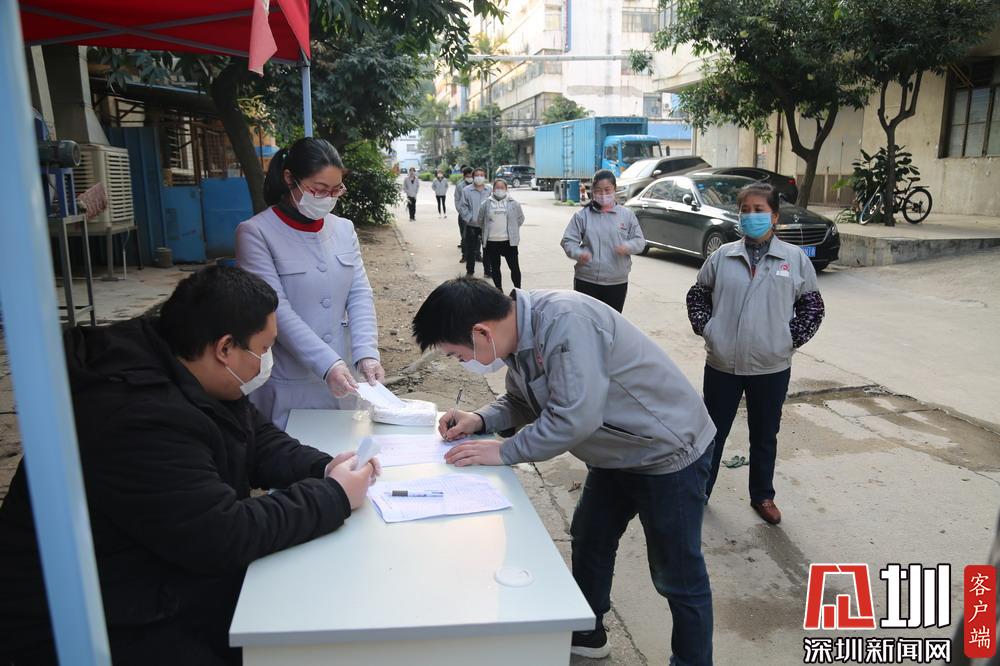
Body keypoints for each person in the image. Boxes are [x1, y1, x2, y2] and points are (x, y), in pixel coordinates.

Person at [0, 266, 378, 666]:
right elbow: (222, 534)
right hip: (82, 621)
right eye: (265, 349)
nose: (266, 361)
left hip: (150, 575)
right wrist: (333, 496)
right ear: (225, 348)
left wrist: (323, 467)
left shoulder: (181, 358)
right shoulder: (139, 417)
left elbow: (253, 436)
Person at [412, 277, 717, 665]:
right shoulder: (517, 337)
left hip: (666, 453)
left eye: (458, 355)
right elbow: (523, 400)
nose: (463, 363)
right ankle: (588, 632)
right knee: (590, 539)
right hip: (615, 452)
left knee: (677, 575)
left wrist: (505, 451)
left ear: (480, 332)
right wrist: (481, 418)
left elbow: (573, 418)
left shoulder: (565, 324)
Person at [686, 182, 825, 525]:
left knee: (764, 435)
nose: (751, 216)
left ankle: (762, 495)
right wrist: (709, 329)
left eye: (759, 210)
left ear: (774, 216)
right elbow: (698, 294)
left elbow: (812, 306)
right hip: (723, 363)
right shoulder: (723, 256)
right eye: (745, 210)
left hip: (771, 365)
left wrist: (787, 340)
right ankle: (699, 492)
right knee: (712, 433)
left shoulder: (793, 259)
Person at [236, 137, 384, 430]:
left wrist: (366, 354)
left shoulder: (343, 229)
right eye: (319, 189)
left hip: (343, 379)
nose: (327, 198)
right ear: (289, 178)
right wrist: (327, 364)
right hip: (289, 382)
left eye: (336, 190)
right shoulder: (256, 233)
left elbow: (359, 294)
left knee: (344, 448)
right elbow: (277, 310)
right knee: (292, 451)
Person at [560, 169, 645, 313]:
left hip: (616, 282)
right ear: (593, 191)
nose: (603, 194)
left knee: (611, 321)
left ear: (615, 189)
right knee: (585, 320)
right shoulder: (582, 216)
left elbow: (640, 241)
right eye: (598, 191)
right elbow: (568, 241)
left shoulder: (627, 216)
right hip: (587, 280)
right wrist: (579, 253)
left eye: (607, 190)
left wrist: (627, 246)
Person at [475, 178, 525, 292]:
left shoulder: (514, 203)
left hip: (509, 241)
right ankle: (499, 290)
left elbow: (520, 219)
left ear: (506, 189)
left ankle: (518, 291)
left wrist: (512, 230)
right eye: (497, 187)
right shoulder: (486, 204)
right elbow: (480, 220)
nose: (499, 190)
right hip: (492, 241)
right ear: (493, 189)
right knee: (495, 268)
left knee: (514, 268)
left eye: (502, 187)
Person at [459, 167, 493, 278]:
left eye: (482, 175)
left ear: (485, 177)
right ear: (473, 177)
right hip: (471, 225)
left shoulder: (489, 190)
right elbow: (463, 207)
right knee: (470, 250)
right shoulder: (466, 190)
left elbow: (494, 205)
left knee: (487, 249)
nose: (479, 177)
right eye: (477, 175)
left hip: (486, 225)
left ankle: (488, 271)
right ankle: (470, 272)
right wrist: (470, 218)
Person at [455, 166, 473, 260]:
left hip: (475, 215)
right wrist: (462, 213)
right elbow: (457, 200)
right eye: (468, 176)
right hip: (463, 215)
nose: (470, 178)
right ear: (464, 176)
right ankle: (465, 255)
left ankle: (477, 254)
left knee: (477, 236)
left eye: (471, 176)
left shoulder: (476, 185)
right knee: (464, 236)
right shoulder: (460, 186)